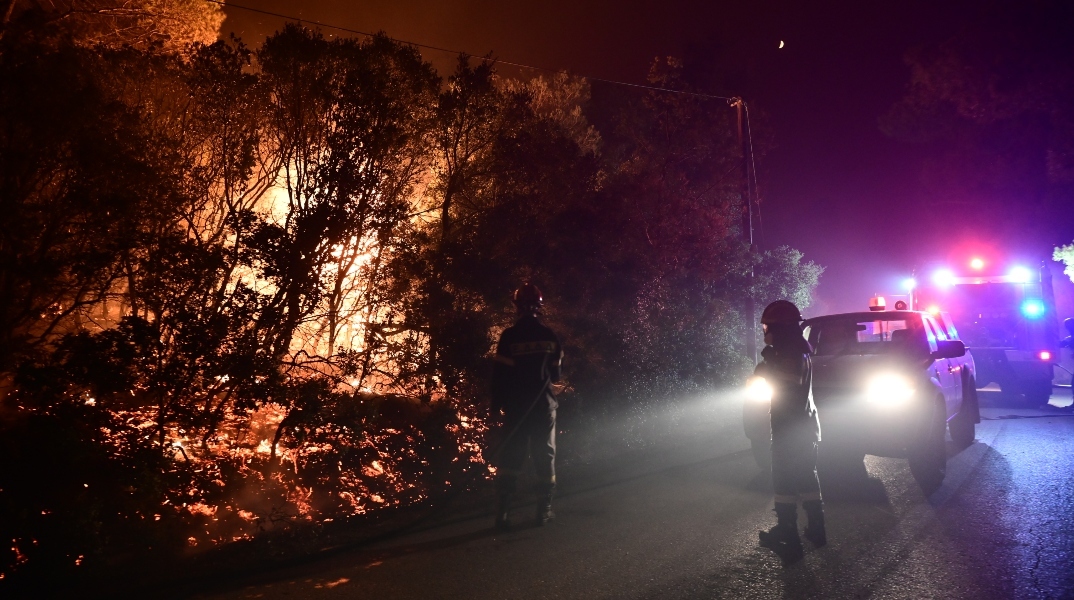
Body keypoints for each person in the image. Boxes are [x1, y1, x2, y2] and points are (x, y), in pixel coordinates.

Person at [755, 300, 824, 562]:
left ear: (780, 327)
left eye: (768, 326)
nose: (765, 331)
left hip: (790, 428)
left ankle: (788, 537)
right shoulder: (797, 348)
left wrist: (766, 367)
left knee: (783, 481)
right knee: (807, 478)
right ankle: (817, 530)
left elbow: (787, 382)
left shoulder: (788, 353)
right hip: (803, 426)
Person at [490, 282, 564, 530]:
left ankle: (502, 515)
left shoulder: (509, 336)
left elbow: (500, 376)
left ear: (516, 307)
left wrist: (494, 407)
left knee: (511, 457)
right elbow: (556, 377)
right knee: (545, 456)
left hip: (516, 408)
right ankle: (543, 512)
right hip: (544, 407)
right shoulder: (550, 336)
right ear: (539, 307)